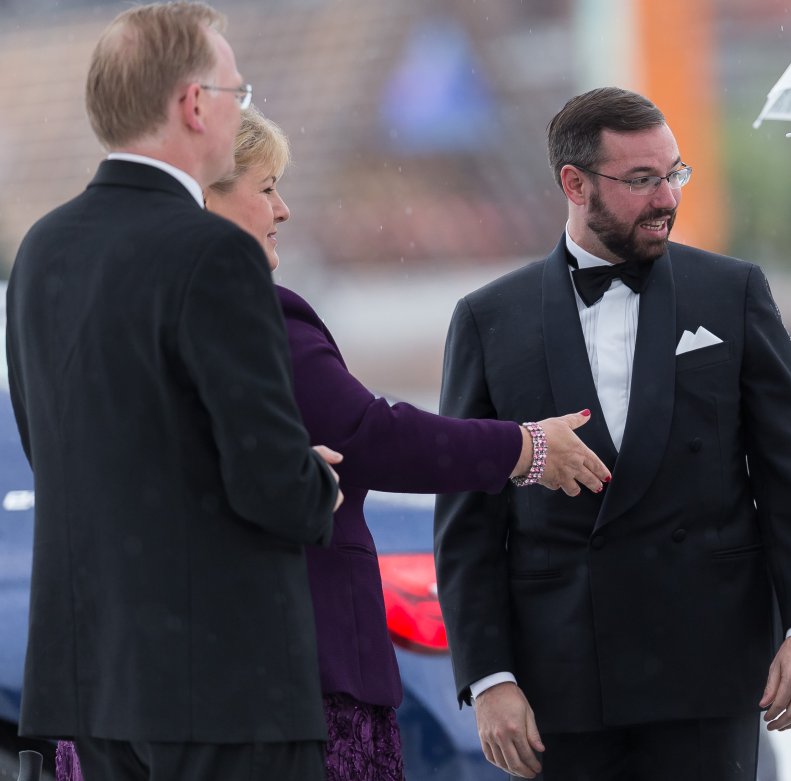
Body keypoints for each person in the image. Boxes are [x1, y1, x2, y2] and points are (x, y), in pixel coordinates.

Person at [51, 107, 612, 781]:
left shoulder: (104, 313)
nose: (282, 209)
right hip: (278, 682)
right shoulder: (250, 310)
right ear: (203, 198)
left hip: (116, 680)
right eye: (265, 188)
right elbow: (369, 436)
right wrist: (527, 449)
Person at [433, 87, 791, 780]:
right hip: (558, 678)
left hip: (708, 667)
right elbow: (467, 519)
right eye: (642, 179)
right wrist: (489, 675)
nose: (667, 198)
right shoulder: (488, 318)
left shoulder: (733, 292)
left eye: (675, 173)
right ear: (575, 184)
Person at [4, 4, 343, 781]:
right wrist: (315, 480)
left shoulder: (43, 248)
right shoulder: (213, 251)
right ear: (194, 105)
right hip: (221, 680)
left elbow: (55, 446)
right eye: (236, 92)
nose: (238, 108)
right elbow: (269, 479)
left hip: (95, 677)